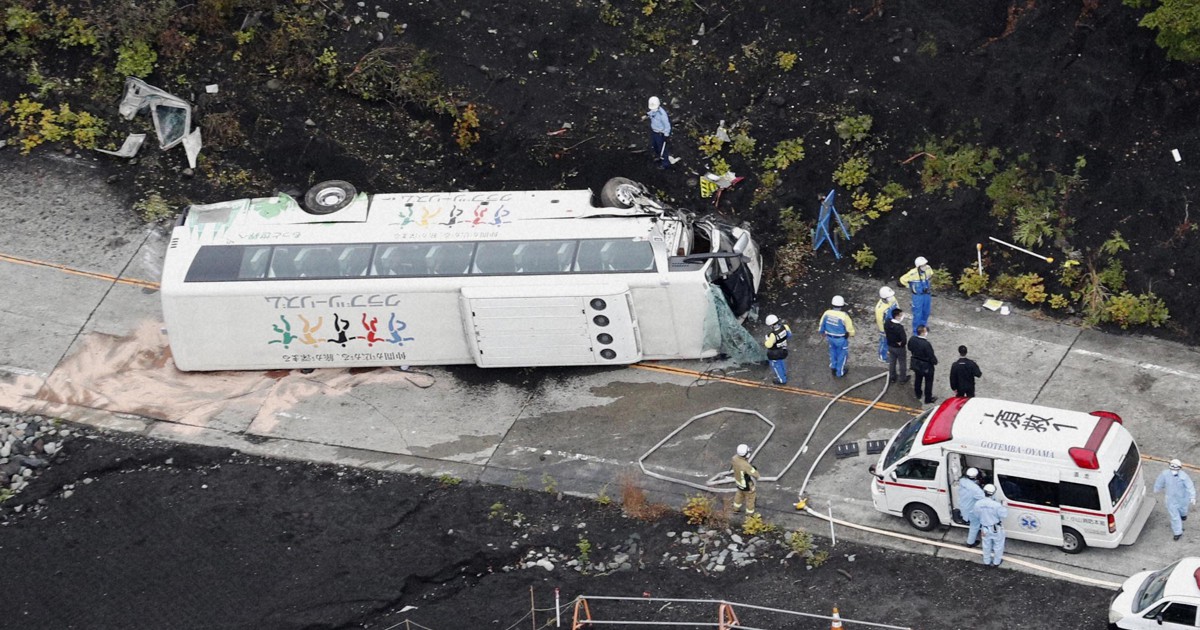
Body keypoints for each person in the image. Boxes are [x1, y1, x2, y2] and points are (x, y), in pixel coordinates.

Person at [1154, 459, 1197, 541]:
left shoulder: (1184, 476)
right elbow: (1159, 481)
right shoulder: (1165, 474)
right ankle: (1177, 532)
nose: (1173, 470)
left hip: (1183, 498)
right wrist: (1157, 488)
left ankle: (1183, 515)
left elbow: (1190, 486)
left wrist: (1192, 497)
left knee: (1183, 509)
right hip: (1171, 499)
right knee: (1174, 517)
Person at [817, 295, 856, 378]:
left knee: (833, 352)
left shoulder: (827, 313)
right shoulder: (844, 316)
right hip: (841, 339)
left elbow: (821, 325)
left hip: (830, 338)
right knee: (842, 355)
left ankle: (833, 366)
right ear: (841, 306)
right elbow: (850, 329)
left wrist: (822, 332)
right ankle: (840, 372)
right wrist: (851, 334)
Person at [975, 484, 1008, 567]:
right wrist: (1004, 506)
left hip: (984, 528)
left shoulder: (978, 503)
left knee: (986, 545)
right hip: (996, 528)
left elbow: (976, 515)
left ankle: (986, 561)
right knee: (998, 545)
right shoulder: (997, 505)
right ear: (993, 493)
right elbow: (1004, 515)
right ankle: (996, 562)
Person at [899, 256, 934, 332]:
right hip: (918, 296)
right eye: (923, 265)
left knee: (926, 312)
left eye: (925, 264)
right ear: (918, 266)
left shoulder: (928, 268)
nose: (925, 266)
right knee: (917, 314)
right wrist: (909, 286)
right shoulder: (912, 273)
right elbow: (902, 279)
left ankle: (923, 327)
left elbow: (931, 274)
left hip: (926, 295)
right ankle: (916, 331)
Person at [908, 325, 938, 404]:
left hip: (916, 363)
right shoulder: (926, 344)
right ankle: (928, 398)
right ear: (923, 333)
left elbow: (909, 348)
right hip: (926, 365)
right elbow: (931, 356)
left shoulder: (912, 339)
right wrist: (935, 362)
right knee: (928, 382)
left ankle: (918, 394)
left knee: (918, 379)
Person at [957, 468, 985, 548]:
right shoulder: (976, 489)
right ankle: (970, 543)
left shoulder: (963, 480)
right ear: (976, 477)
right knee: (975, 525)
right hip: (971, 509)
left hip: (963, 506)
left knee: (972, 522)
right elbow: (984, 497)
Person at [731, 443, 760, 515]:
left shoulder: (734, 458)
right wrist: (754, 470)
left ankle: (735, 509)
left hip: (738, 483)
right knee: (751, 498)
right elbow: (756, 474)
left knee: (739, 495)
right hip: (746, 485)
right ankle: (749, 514)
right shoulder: (745, 465)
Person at [763, 314, 792, 385]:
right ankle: (784, 374)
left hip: (775, 353)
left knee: (776, 366)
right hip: (783, 350)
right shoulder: (785, 327)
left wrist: (766, 339)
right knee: (781, 362)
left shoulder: (772, 334)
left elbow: (768, 345)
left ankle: (781, 380)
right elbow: (789, 335)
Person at [874, 286, 898, 363]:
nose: (892, 298)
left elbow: (897, 307)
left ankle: (889, 351)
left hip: (893, 323)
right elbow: (879, 320)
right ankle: (882, 356)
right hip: (886, 327)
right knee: (884, 341)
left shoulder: (892, 299)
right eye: (889, 297)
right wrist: (882, 331)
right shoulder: (879, 308)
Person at [884, 308, 909, 385]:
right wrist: (901, 344)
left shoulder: (887, 323)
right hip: (899, 348)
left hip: (890, 346)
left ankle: (892, 377)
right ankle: (902, 379)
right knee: (902, 363)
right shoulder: (899, 327)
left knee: (892, 362)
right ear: (897, 316)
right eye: (901, 315)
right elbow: (904, 340)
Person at [646, 96, 672, 169]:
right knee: (655, 146)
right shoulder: (653, 111)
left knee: (663, 149)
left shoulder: (662, 115)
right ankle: (658, 156)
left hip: (660, 134)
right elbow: (651, 114)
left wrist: (666, 135)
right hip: (654, 132)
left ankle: (665, 164)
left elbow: (667, 125)